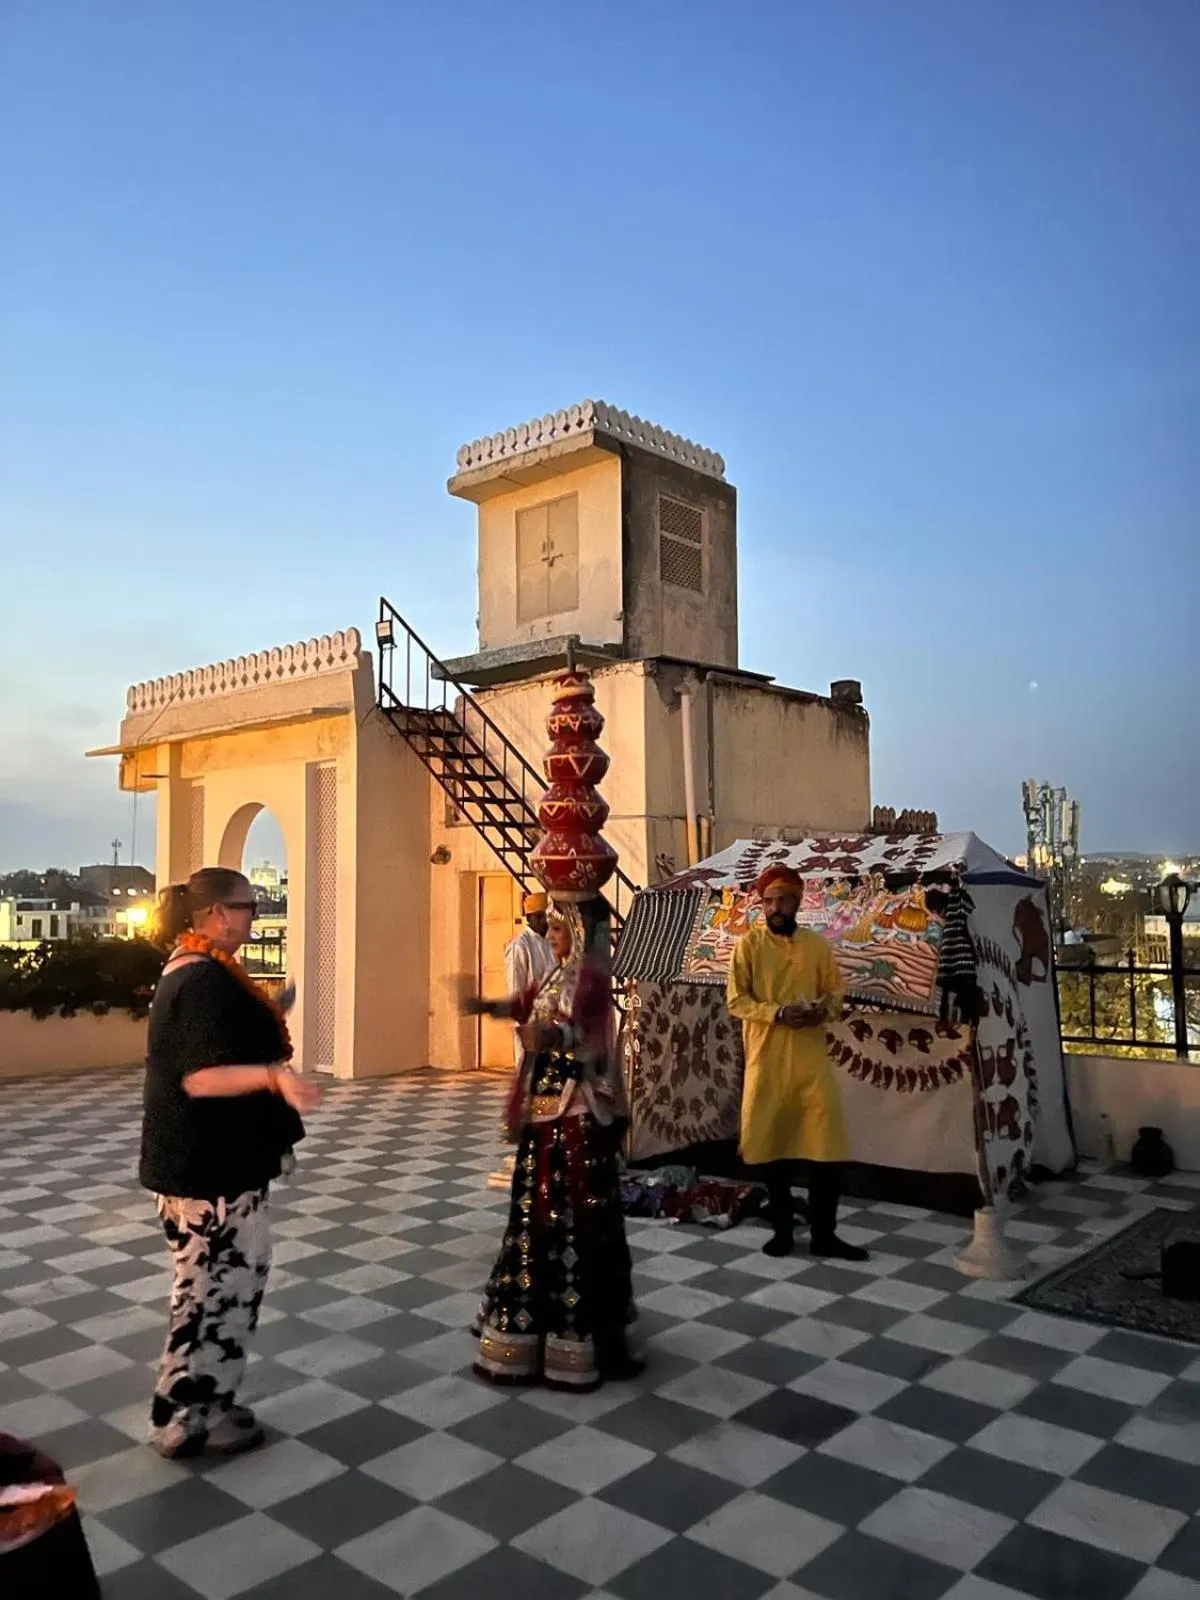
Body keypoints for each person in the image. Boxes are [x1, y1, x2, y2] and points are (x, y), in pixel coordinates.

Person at [140, 866, 321, 1458]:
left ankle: (193, 1410)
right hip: (208, 1173)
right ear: (218, 914)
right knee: (216, 1294)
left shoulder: (203, 973)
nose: (254, 915)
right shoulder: (200, 982)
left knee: (211, 1290)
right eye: (248, 906)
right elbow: (201, 1076)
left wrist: (271, 1015)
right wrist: (275, 1077)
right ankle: (191, 1417)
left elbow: (220, 1042)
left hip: (213, 1169)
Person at [467, 906, 640, 1390]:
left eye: (561, 927)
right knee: (533, 1213)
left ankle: (578, 1339)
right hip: (545, 1111)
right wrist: (487, 1007)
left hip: (575, 1112)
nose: (551, 933)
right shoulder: (556, 973)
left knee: (573, 1216)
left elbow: (588, 1036)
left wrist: (549, 1036)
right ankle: (531, 1335)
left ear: (581, 931)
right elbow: (525, 1004)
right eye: (552, 927)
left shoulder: (590, 980)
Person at [726, 864, 868, 1261]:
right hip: (767, 1061)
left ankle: (825, 1234)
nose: (775, 908)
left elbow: (835, 992)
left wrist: (823, 1011)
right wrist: (777, 1014)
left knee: (828, 1148)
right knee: (773, 1149)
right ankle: (783, 1232)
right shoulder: (748, 947)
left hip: (810, 1062)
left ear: (797, 902)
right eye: (768, 901)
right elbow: (737, 1001)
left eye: (783, 900)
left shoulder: (816, 946)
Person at [503, 891, 556, 1066]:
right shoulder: (520, 946)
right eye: (540, 917)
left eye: (547, 917)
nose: (545, 922)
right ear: (529, 918)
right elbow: (515, 988)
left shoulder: (549, 943)